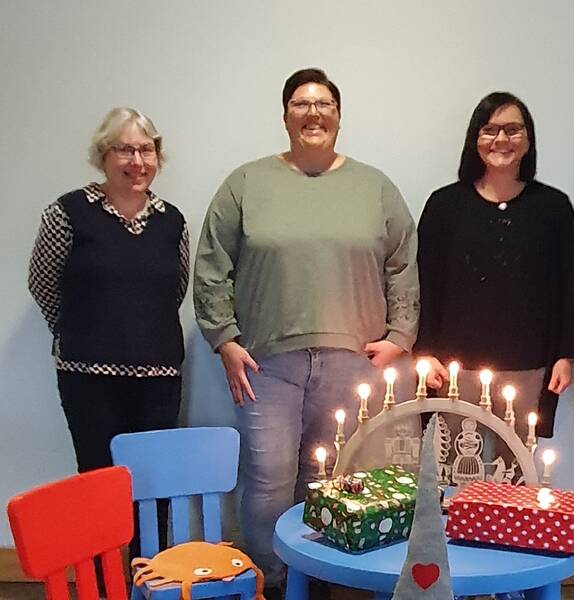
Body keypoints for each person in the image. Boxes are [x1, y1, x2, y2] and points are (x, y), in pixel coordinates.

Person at [193, 68, 419, 592]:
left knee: (336, 487)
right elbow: (212, 264)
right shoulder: (246, 183)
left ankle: (325, 582)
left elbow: (403, 261)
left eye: (323, 104)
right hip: (265, 365)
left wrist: (400, 335)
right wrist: (223, 338)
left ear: (339, 116)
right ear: (285, 115)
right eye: (301, 103)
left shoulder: (375, 187)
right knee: (269, 485)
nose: (313, 113)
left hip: (352, 364)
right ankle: (271, 585)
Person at [29, 106, 188, 475]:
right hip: (87, 376)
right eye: (124, 150)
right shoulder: (66, 213)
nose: (137, 161)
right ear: (103, 156)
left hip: (159, 379)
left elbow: (174, 290)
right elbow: (43, 284)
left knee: (152, 485)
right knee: (100, 483)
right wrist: (81, 328)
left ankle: (149, 539)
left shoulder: (173, 221)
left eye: (146, 150)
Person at [415, 92, 574, 444]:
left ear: (528, 139)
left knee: (514, 483)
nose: (501, 139)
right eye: (490, 130)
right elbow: (425, 283)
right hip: (453, 370)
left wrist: (565, 354)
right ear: (474, 138)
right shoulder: (445, 205)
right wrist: (424, 351)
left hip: (529, 367)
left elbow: (568, 288)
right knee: (452, 474)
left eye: (512, 130)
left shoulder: (554, 207)